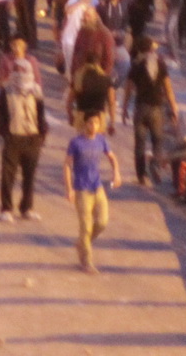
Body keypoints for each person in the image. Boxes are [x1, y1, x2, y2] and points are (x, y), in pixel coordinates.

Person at [0, 40, 49, 221]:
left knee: (29, 175)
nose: (20, 73)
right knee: (8, 175)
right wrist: (6, 134)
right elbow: (1, 116)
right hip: (13, 136)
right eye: (17, 71)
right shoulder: (7, 91)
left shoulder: (36, 92)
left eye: (23, 70)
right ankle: (6, 208)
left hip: (32, 137)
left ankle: (27, 207)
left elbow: (41, 115)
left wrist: (41, 134)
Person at [65, 111, 121, 273]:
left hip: (97, 187)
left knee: (102, 221)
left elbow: (112, 157)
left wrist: (116, 173)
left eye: (96, 123)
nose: (94, 126)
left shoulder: (101, 140)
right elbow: (67, 165)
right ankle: (86, 261)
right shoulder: (76, 142)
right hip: (81, 189)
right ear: (85, 124)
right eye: (90, 123)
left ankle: (82, 243)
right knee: (86, 227)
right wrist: (69, 188)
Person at [123, 36, 178, 186]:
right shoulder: (160, 64)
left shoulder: (135, 65)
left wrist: (125, 108)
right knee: (157, 140)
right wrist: (174, 108)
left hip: (140, 107)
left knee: (140, 143)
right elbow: (168, 89)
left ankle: (142, 175)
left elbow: (128, 89)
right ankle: (155, 166)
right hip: (157, 108)